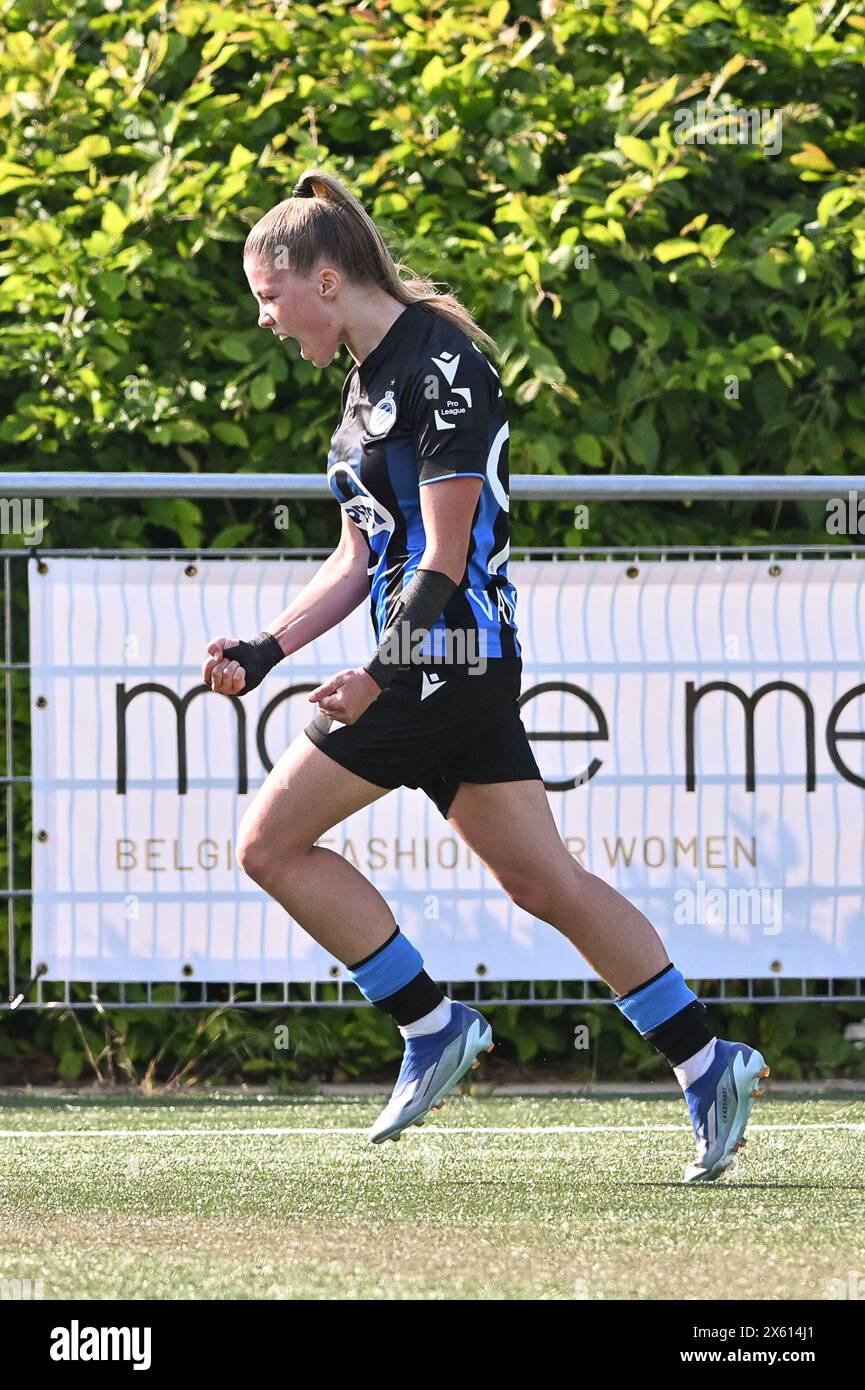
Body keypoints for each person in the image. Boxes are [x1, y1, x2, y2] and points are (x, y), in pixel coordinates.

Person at [203, 169, 769, 1181]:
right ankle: (706, 1056)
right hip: (439, 665)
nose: (265, 319)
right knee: (542, 880)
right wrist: (265, 647)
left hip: (444, 662)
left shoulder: (441, 367)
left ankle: (429, 1024)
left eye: (268, 295)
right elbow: (358, 559)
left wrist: (375, 676)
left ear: (324, 278)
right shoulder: (364, 383)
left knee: (268, 843)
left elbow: (443, 562)